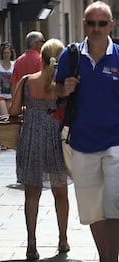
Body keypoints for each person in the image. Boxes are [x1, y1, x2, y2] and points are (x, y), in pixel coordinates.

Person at [55, 2, 119, 261]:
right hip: (81, 143)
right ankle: (106, 257)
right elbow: (54, 91)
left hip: (116, 141)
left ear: (111, 25)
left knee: (114, 206)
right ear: (84, 24)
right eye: (91, 23)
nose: (96, 28)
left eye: (101, 23)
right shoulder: (69, 56)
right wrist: (63, 88)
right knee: (93, 210)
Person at [9, 38, 70, 260]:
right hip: (56, 138)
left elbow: (14, 110)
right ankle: (63, 239)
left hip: (31, 138)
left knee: (31, 194)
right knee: (60, 193)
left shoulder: (26, 81)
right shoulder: (64, 86)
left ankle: (32, 243)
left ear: (41, 57)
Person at [10, 31, 45, 96]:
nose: (43, 44)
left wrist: (15, 100)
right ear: (35, 43)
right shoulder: (40, 59)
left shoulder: (19, 60)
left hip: (22, 98)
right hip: (37, 98)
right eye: (42, 41)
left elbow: (13, 83)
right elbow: (42, 80)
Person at [0, 42, 15, 116]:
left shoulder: (14, 65)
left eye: (8, 53)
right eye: (4, 53)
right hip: (0, 95)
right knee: (5, 116)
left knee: (11, 117)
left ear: (11, 54)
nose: (6, 55)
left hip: (10, 95)